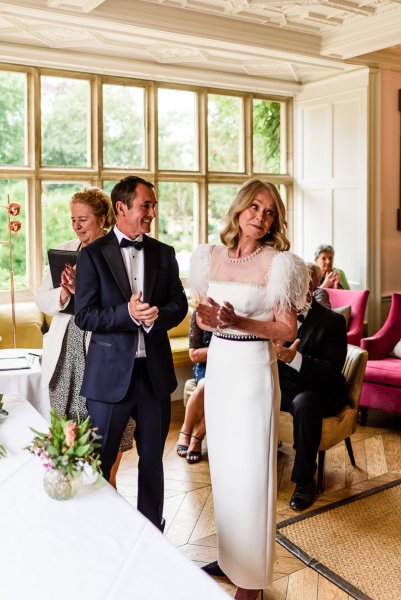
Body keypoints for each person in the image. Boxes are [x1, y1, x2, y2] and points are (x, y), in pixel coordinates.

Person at [191, 178, 309, 600]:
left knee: (252, 471)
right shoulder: (210, 257)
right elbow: (205, 319)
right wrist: (210, 319)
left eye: (269, 211)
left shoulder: (280, 264)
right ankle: (230, 559)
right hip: (220, 366)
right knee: (223, 469)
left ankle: (252, 579)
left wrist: (236, 321)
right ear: (239, 209)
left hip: (254, 369)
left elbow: (287, 327)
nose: (260, 217)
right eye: (254, 207)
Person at [74, 175, 188, 531]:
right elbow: (84, 315)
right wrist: (127, 313)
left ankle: (152, 530)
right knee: (98, 459)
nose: (152, 212)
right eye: (146, 205)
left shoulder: (164, 253)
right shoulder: (92, 255)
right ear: (121, 208)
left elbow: (179, 304)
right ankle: (94, 530)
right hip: (108, 379)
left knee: (153, 461)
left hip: (154, 376)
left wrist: (158, 316)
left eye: (153, 205)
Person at [35, 187, 134, 487]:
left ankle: (109, 484)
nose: (76, 226)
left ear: (102, 218)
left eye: (83, 219)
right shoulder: (64, 250)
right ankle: (70, 484)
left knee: (104, 428)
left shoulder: (118, 254)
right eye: (73, 220)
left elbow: (124, 307)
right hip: (66, 350)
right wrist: (64, 293)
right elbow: (42, 299)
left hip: (103, 351)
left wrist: (84, 292)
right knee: (66, 424)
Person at [273, 264, 348, 511]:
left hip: (322, 391)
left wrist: (293, 358)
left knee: (304, 403)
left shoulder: (333, 321)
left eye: (296, 288)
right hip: (287, 388)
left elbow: (330, 370)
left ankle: (305, 482)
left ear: (309, 288)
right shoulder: (274, 319)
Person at [177, 310, 212, 464]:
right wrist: (223, 350)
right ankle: (186, 431)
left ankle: (197, 437)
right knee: (206, 385)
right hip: (205, 366)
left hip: (230, 367)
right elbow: (194, 355)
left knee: (222, 392)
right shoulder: (199, 313)